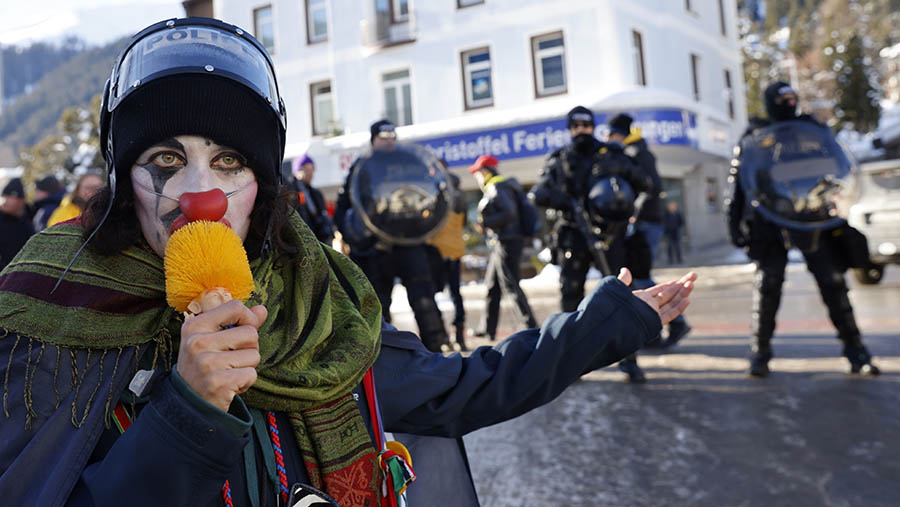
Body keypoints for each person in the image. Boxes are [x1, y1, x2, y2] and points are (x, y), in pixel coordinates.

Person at [0, 18, 696, 507]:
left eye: (230, 160)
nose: (198, 192)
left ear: (263, 186)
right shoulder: (50, 311)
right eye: (164, 159)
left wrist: (603, 325)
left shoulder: (317, 306)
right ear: (124, 182)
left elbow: (461, 390)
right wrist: (187, 407)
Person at [725, 80, 879, 378]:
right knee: (767, 287)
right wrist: (734, 224)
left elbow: (835, 166)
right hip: (770, 222)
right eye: (782, 99)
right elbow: (738, 186)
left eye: (792, 97)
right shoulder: (754, 137)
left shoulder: (811, 131)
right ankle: (759, 354)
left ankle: (857, 351)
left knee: (833, 283)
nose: (789, 103)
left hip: (813, 217)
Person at [530, 105, 653, 382]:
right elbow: (538, 193)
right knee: (571, 297)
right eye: (576, 126)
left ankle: (629, 360)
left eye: (586, 125)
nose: (581, 130)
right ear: (570, 128)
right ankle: (571, 363)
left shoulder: (610, 154)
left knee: (620, 294)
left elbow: (644, 183)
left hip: (609, 235)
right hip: (574, 234)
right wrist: (561, 200)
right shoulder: (560, 159)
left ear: (593, 126)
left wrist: (619, 176)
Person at [334, 119, 450, 352]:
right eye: (383, 137)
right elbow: (345, 206)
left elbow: (434, 189)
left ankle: (436, 351)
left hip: (411, 241)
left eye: (392, 136)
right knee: (376, 307)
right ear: (373, 140)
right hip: (375, 247)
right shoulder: (362, 167)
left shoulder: (410, 161)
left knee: (424, 301)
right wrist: (356, 236)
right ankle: (383, 356)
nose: (389, 141)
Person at [609, 114, 692, 349]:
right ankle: (657, 330)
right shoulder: (636, 151)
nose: (608, 139)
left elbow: (652, 187)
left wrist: (634, 213)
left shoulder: (637, 153)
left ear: (618, 134)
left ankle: (674, 322)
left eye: (610, 134)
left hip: (644, 223)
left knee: (639, 277)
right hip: (644, 221)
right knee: (637, 277)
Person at [467, 155, 538, 342]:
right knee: (493, 286)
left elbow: (509, 213)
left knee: (510, 284)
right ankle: (487, 328)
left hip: (507, 241)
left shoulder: (496, 186)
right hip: (503, 241)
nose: (476, 177)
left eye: (477, 173)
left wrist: (485, 223)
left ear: (485, 172)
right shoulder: (501, 185)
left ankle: (530, 327)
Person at [426, 165, 468, 350]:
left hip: (438, 251)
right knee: (456, 294)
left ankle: (442, 335)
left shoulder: (437, 193)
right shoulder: (460, 195)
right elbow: (463, 222)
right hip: (455, 251)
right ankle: (460, 337)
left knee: (432, 293)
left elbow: (429, 223)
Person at [290, 153, 335, 244]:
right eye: (306, 170)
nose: (310, 173)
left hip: (320, 238)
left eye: (312, 169)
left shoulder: (315, 193)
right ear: (297, 171)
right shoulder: (291, 192)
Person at [0, 178, 34, 270]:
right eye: (3, 197)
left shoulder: (31, 215)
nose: (4, 201)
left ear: (20, 200)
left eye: (9, 197)